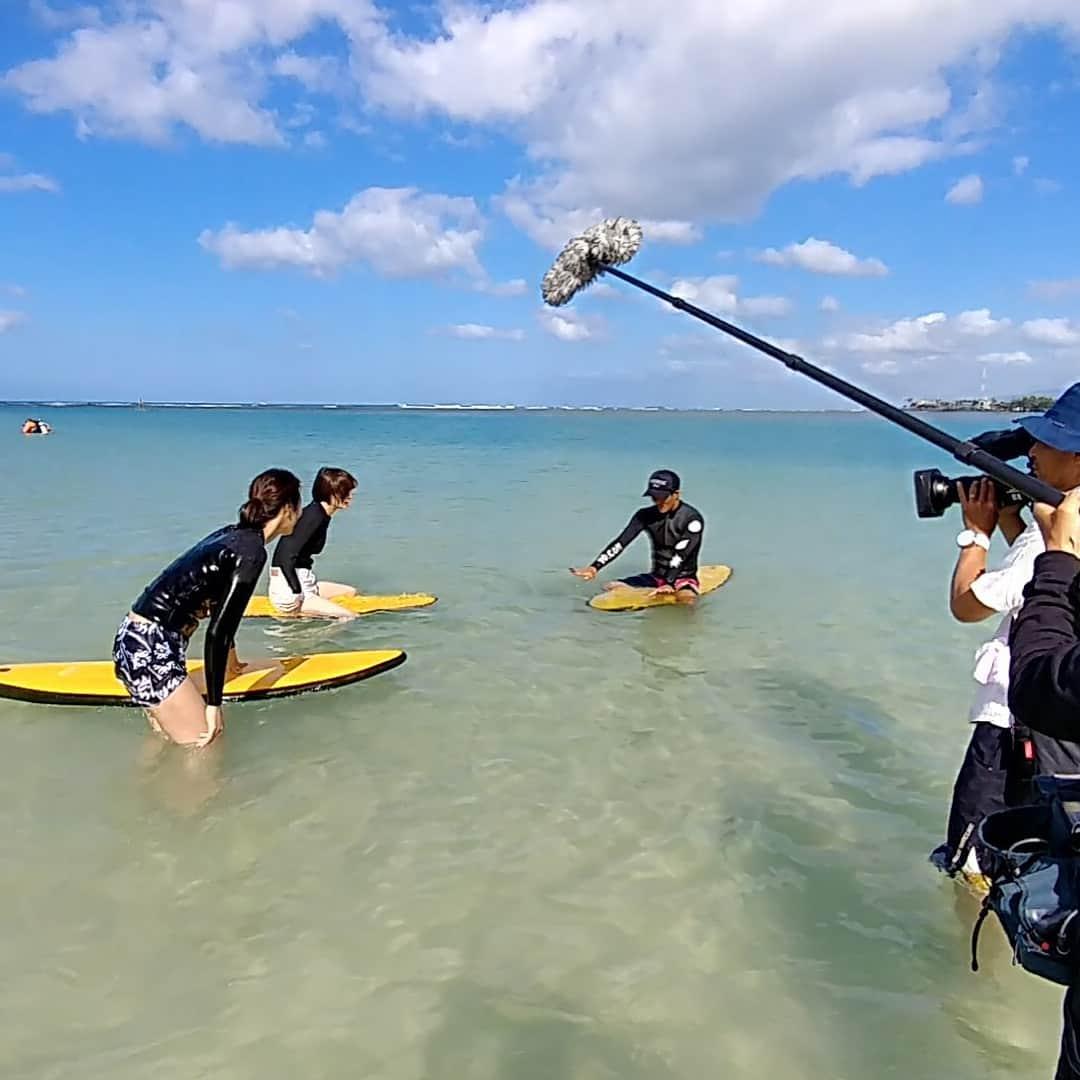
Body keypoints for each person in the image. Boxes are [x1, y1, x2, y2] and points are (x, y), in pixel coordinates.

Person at [112, 468, 301, 748]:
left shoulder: (232, 535)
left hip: (135, 641)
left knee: (166, 744)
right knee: (208, 746)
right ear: (287, 509)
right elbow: (218, 631)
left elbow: (217, 607)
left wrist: (232, 664)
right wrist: (214, 704)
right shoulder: (252, 553)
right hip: (152, 651)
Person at [929, 473, 1043, 882]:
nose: (1031, 457)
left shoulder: (1047, 538)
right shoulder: (1063, 527)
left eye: (1046, 445)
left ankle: (970, 940)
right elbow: (1049, 582)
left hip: (1014, 726)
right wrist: (1014, 522)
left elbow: (968, 603)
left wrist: (976, 535)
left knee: (973, 859)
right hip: (1055, 721)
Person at [570, 469, 705, 604]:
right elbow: (621, 542)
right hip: (657, 577)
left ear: (676, 494)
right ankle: (647, 597)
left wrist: (669, 583)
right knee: (610, 586)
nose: (658, 501)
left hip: (682, 578)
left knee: (686, 599)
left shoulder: (692, 519)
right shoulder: (644, 515)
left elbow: (681, 554)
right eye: (654, 497)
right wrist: (595, 567)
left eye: (663, 497)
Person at [267, 466, 359, 618]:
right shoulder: (313, 516)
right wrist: (296, 592)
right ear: (332, 493)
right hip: (290, 591)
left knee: (350, 592)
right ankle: (319, 639)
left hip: (305, 582)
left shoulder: (321, 514)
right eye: (346, 492)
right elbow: (285, 556)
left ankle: (313, 614)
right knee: (349, 616)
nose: (350, 497)